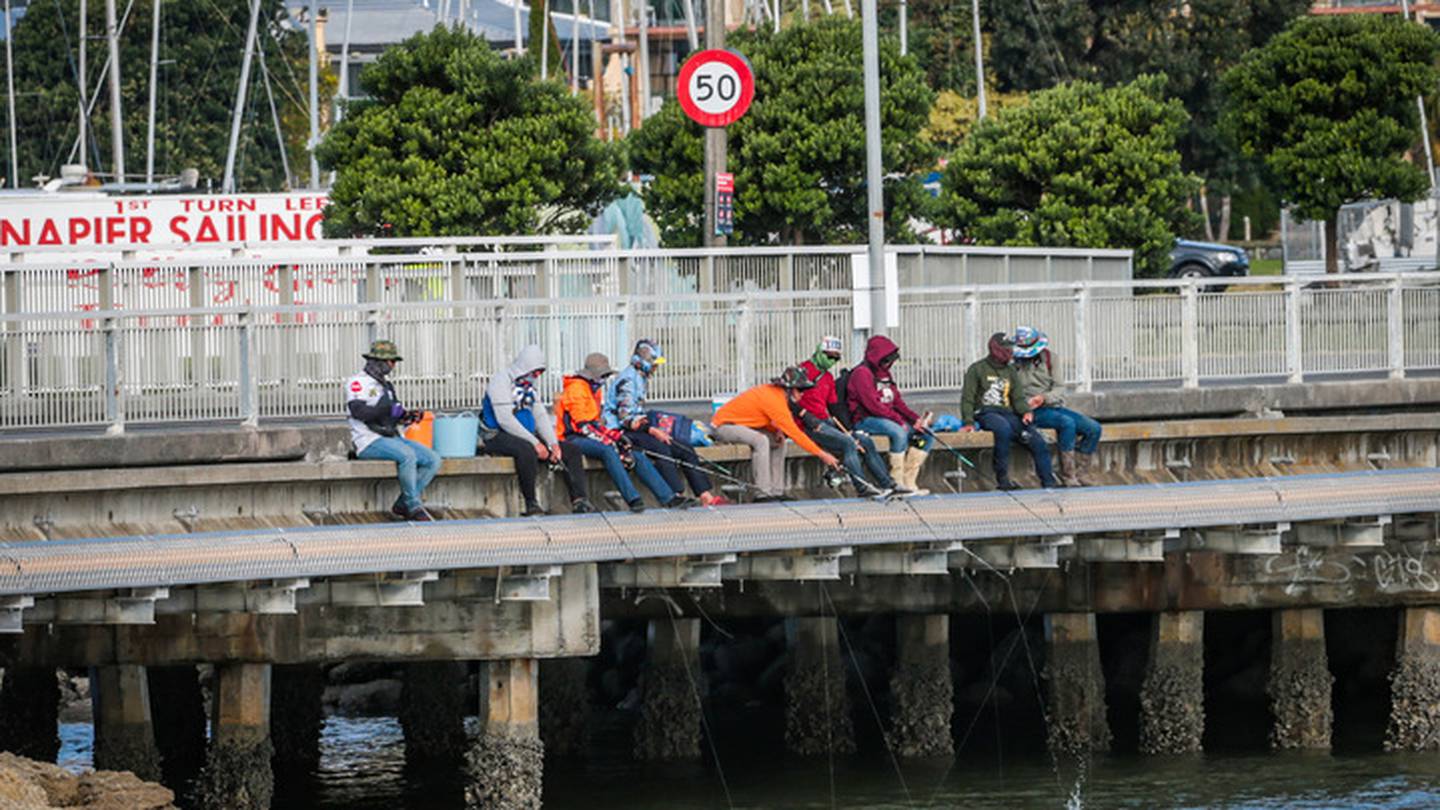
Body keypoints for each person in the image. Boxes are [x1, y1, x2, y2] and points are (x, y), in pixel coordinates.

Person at [556, 352, 690, 513]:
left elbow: (596, 424)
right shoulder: (576, 389)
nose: (604, 379)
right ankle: (633, 499)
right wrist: (612, 442)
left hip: (590, 434)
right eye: (602, 375)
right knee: (608, 451)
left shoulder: (593, 390)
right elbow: (583, 427)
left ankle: (668, 497)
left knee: (635, 453)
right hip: (573, 437)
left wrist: (618, 438)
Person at [606, 340, 730, 506]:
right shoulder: (627, 381)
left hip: (640, 426)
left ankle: (706, 496)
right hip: (622, 431)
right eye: (654, 364)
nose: (656, 368)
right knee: (661, 447)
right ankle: (675, 494)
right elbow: (626, 419)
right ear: (643, 362)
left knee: (684, 448)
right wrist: (653, 430)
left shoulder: (640, 377)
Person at [480, 344, 590, 516]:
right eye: (535, 372)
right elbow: (505, 419)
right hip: (497, 435)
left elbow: (540, 415)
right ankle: (531, 503)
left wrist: (553, 444)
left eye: (540, 372)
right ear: (525, 368)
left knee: (571, 450)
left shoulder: (528, 387)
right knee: (526, 450)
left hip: (526, 434)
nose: (537, 376)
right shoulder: (501, 381)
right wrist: (536, 443)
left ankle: (579, 499)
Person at [346, 339, 441, 521]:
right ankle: (414, 506)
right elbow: (358, 412)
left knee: (432, 459)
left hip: (391, 437)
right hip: (368, 441)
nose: (393, 365)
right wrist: (386, 410)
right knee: (407, 455)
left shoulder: (387, 386)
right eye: (391, 361)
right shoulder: (358, 382)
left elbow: (393, 414)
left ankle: (402, 503)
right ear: (379, 361)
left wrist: (407, 416)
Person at [713, 368, 841, 501]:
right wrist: (822, 454)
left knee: (779, 441)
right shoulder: (775, 399)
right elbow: (796, 434)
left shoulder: (778, 395)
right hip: (724, 426)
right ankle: (762, 493)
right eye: (800, 390)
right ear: (789, 389)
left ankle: (777, 491)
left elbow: (759, 417)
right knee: (761, 440)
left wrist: (776, 431)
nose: (803, 394)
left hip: (743, 426)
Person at [795, 336, 900, 497]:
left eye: (836, 358)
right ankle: (862, 487)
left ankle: (888, 484)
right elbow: (789, 400)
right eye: (829, 356)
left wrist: (847, 429)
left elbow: (832, 407)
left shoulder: (829, 378)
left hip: (826, 422)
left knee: (864, 440)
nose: (831, 361)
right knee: (848, 443)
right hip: (807, 425)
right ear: (819, 352)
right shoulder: (802, 370)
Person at [959, 332, 1058, 490]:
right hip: (986, 412)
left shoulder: (1010, 371)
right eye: (1005, 349)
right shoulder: (977, 369)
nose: (1009, 353)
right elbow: (967, 399)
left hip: (1007, 412)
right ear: (995, 349)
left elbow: (1017, 397)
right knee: (1002, 429)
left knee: (1034, 437)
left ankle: (1048, 481)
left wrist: (1025, 411)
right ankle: (1002, 479)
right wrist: (968, 421)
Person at [1011, 325, 1102, 487]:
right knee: (1067, 423)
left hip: (1051, 404)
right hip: (1029, 410)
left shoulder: (1050, 358)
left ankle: (1082, 472)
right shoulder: (1012, 364)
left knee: (1093, 428)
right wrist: (1025, 404)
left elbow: (1059, 387)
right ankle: (1068, 474)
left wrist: (1044, 397)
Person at [846, 335, 933, 496]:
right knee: (899, 432)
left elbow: (897, 402)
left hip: (888, 417)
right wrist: (900, 421)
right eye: (885, 360)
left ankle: (909, 481)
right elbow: (873, 406)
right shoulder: (861, 374)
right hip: (866, 420)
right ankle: (896, 481)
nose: (888, 364)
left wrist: (915, 420)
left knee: (926, 436)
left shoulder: (886, 375)